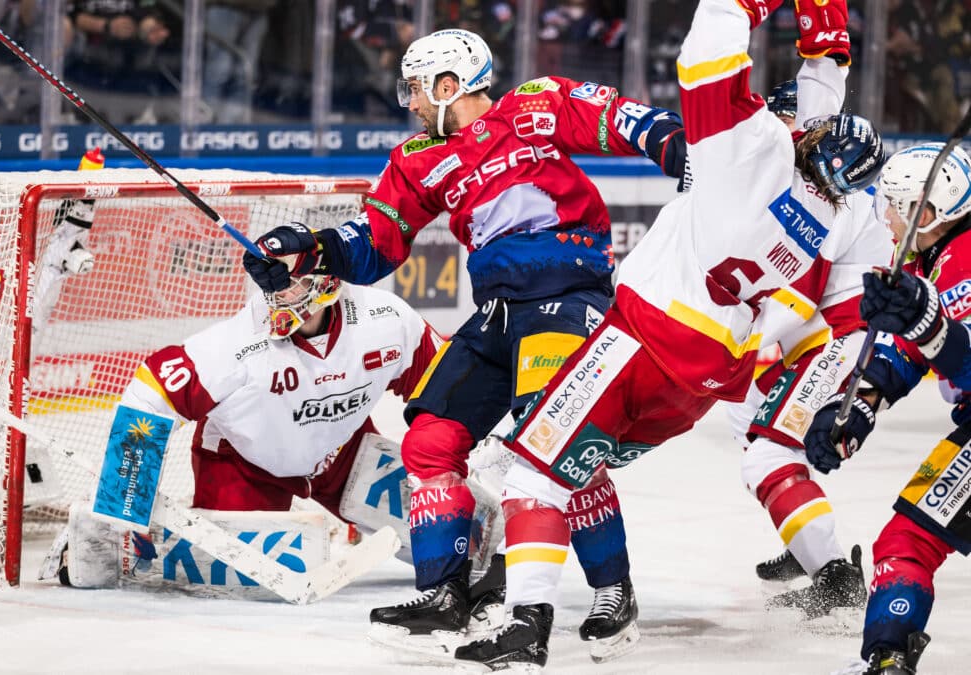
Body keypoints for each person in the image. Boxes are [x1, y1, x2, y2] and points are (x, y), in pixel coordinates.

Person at [448, 0, 887, 669]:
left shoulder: (746, 154)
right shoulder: (834, 214)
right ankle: (599, 595)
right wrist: (824, 22)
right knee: (571, 467)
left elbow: (706, 50)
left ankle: (526, 626)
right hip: (703, 381)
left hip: (637, 344)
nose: (782, 115)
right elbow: (822, 107)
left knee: (534, 470)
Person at [242, 27, 688, 658]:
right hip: (499, 313)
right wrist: (307, 248)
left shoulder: (534, 104)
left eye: (417, 90)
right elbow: (373, 244)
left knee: (554, 445)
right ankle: (445, 596)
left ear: (448, 84)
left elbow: (630, 122)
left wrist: (687, 153)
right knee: (429, 439)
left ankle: (614, 591)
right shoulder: (416, 159)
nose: (411, 104)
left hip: (567, 299)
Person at [50, 272, 491, 592]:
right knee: (242, 584)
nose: (286, 296)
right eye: (277, 287)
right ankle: (77, 547)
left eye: (298, 282)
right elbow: (150, 395)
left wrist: (473, 455)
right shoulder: (234, 346)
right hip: (245, 465)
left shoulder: (384, 317)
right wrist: (127, 502)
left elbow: (446, 387)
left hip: (344, 452)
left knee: (464, 542)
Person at [726, 78, 893, 618]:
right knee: (753, 422)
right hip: (831, 339)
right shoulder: (830, 189)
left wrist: (729, 340)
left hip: (838, 343)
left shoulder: (821, 202)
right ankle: (804, 539)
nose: (783, 132)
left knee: (767, 451)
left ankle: (835, 578)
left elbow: (795, 299)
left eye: (789, 121)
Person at [804, 142, 971, 674]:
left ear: (926, 214)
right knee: (906, 540)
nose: (889, 222)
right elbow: (908, 352)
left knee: (907, 544)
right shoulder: (942, 261)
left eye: (895, 208)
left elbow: (950, 345)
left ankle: (889, 657)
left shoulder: (965, 259)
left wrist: (928, 325)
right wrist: (859, 405)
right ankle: (890, 656)